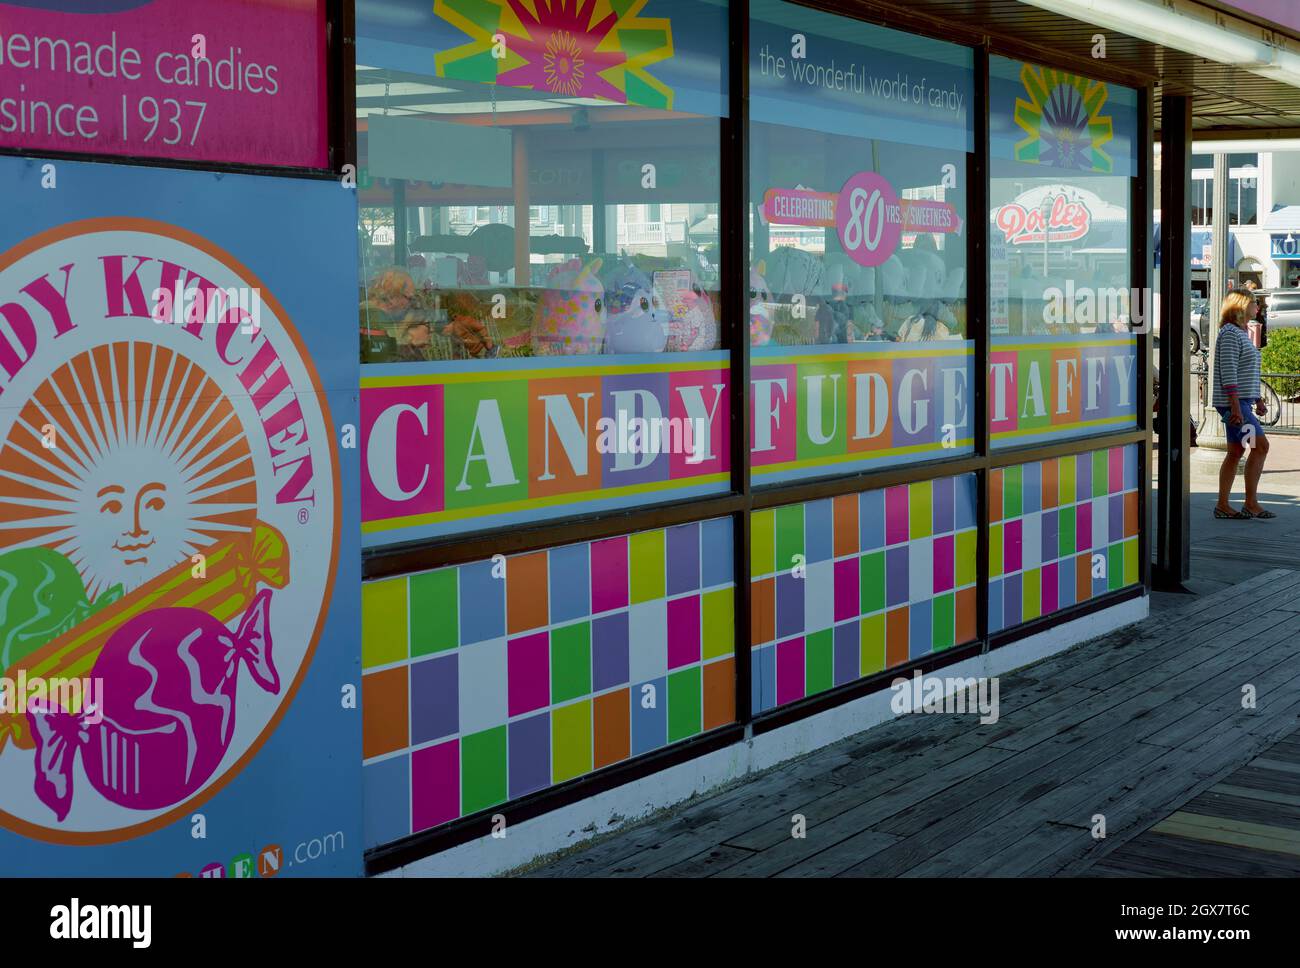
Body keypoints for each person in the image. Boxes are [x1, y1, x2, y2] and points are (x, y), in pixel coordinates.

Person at [1212, 290, 1274, 519]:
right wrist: (1236, 407)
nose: (1257, 306)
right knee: (1260, 446)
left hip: (1241, 403)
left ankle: (1223, 505)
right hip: (1235, 406)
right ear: (1240, 305)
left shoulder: (1240, 332)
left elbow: (1245, 371)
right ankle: (1250, 503)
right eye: (1253, 302)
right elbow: (1229, 372)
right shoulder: (1230, 334)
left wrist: (1256, 398)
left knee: (1236, 451)